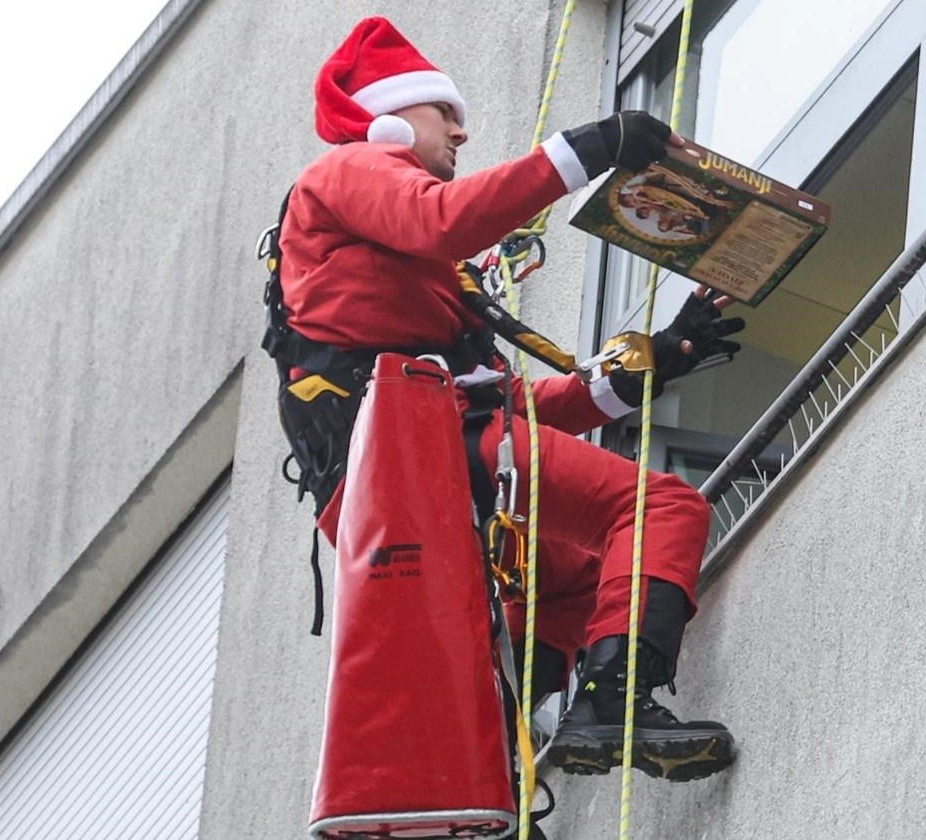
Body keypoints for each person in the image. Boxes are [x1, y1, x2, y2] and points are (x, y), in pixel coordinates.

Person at [274, 17, 745, 783]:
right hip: (413, 452)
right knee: (664, 509)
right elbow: (445, 221)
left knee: (581, 582)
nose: (462, 131)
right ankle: (615, 700)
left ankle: (512, 737)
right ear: (386, 117)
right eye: (444, 113)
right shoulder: (349, 170)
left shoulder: (407, 290)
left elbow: (506, 407)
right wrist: (592, 147)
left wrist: (646, 368)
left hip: (414, 458)